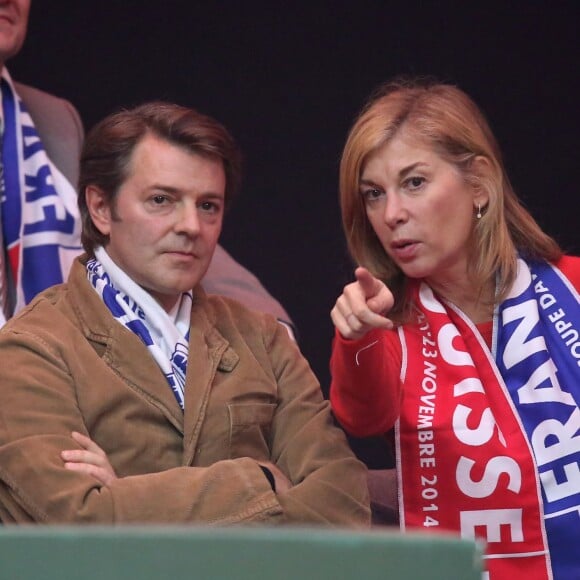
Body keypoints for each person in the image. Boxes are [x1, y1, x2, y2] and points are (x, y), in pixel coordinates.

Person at [0, 101, 370, 526]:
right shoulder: (31, 350)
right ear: (101, 208)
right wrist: (260, 481)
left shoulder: (261, 338)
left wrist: (127, 495)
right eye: (162, 200)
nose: (191, 226)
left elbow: (343, 502)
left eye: (208, 206)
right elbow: (78, 522)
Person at [329, 78, 579, 578]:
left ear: (480, 185)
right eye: (374, 195)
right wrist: (354, 337)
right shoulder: (380, 317)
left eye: (414, 183)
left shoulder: (571, 285)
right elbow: (362, 417)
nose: (392, 214)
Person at [0, 0, 295, 333]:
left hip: (64, 369)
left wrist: (269, 334)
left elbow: (153, 234)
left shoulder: (51, 118)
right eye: (161, 199)